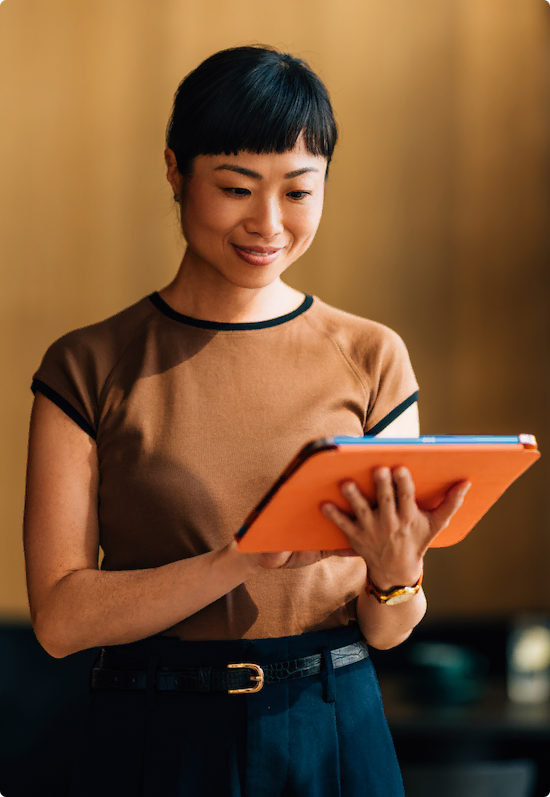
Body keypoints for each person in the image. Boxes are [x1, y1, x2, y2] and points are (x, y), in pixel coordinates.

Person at [23, 45, 470, 796]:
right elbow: (61, 618)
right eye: (236, 187)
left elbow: (389, 628)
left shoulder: (373, 356)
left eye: (300, 191)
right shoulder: (87, 364)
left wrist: (397, 575)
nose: (268, 223)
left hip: (334, 724)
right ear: (175, 170)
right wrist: (241, 558)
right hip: (152, 734)